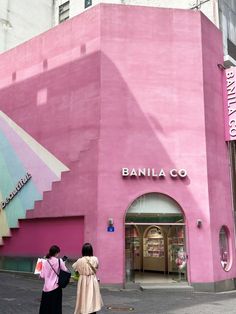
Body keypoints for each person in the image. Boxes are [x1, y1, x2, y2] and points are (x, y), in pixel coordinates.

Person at [72, 243, 103, 314]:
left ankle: (83, 311)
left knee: (83, 297)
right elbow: (97, 267)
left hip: (83, 280)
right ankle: (92, 311)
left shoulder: (80, 260)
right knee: (92, 297)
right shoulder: (95, 259)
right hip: (92, 279)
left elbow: (74, 267)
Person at [39, 245, 68, 314]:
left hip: (46, 289)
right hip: (56, 288)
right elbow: (65, 271)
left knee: (45, 308)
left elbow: (42, 276)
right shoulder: (59, 261)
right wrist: (63, 263)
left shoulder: (45, 262)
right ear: (56, 253)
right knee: (55, 308)